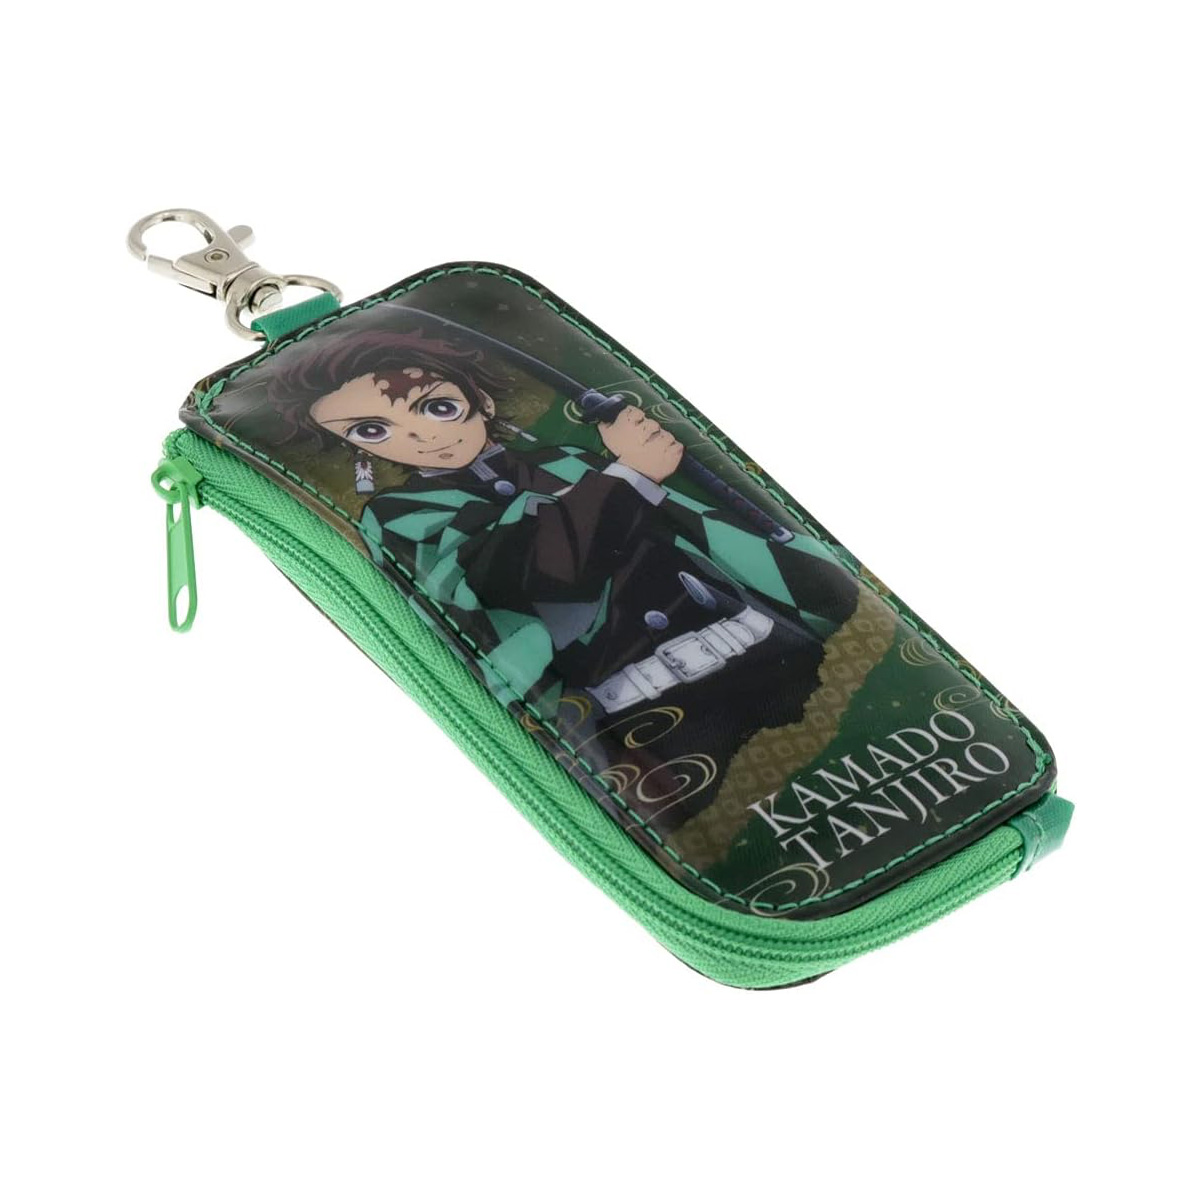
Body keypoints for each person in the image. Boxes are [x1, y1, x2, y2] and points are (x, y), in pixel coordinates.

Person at [267, 327, 859, 831]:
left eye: (438, 407)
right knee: (716, 831)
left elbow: (699, 532)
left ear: (481, 401)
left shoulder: (569, 462)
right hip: (642, 725)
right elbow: (519, 578)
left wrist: (810, 573)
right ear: (352, 448)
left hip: (775, 661)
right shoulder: (400, 517)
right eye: (371, 431)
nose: (421, 436)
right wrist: (630, 476)